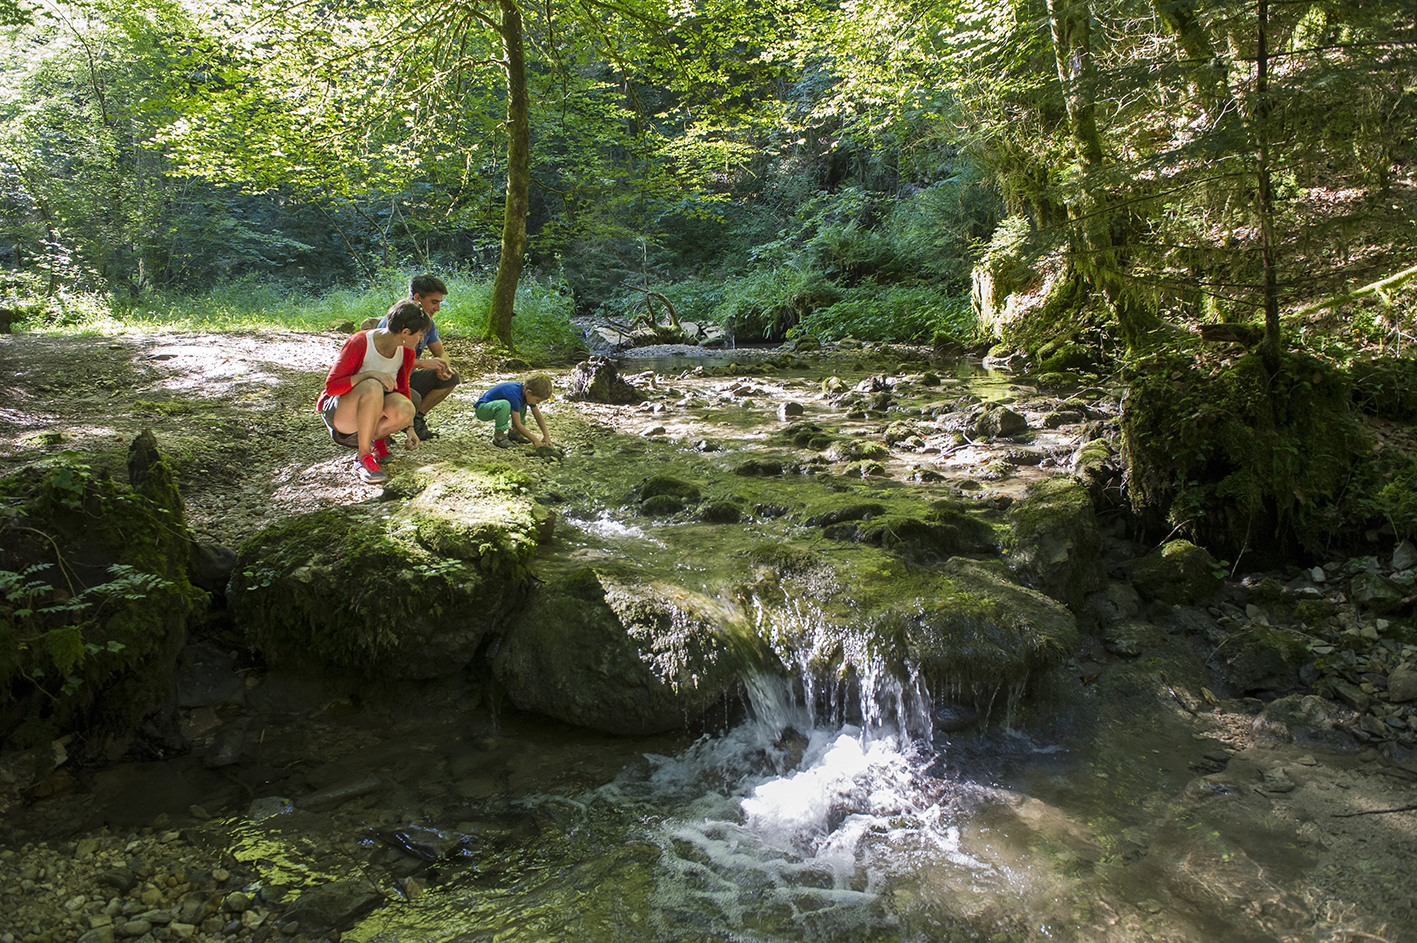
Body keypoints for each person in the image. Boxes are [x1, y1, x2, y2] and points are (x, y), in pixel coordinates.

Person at [319, 301, 430, 484]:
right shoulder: (360, 341)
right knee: (372, 385)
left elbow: (402, 388)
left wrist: (409, 428)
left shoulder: (406, 352)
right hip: (340, 414)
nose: (420, 340)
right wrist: (369, 374)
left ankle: (378, 442)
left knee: (406, 407)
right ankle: (363, 457)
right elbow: (332, 387)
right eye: (419, 334)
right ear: (404, 332)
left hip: (370, 412)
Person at [373, 274, 459, 439]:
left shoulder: (428, 323)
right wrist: (423, 363)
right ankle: (380, 430)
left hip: (408, 378)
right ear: (417, 298)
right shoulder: (395, 321)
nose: (438, 308)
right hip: (386, 382)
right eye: (434, 302)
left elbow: (440, 352)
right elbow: (389, 364)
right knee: (414, 398)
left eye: (440, 303)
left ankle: (416, 420)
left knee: (451, 377)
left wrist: (443, 366)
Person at [473, 374, 554, 449]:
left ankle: (514, 433)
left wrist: (546, 436)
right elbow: (518, 424)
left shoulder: (525, 392)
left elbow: (538, 415)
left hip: (493, 407)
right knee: (505, 404)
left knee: (523, 404)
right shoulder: (514, 395)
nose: (538, 403)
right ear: (529, 392)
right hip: (483, 409)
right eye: (537, 400)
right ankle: (499, 437)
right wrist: (535, 440)